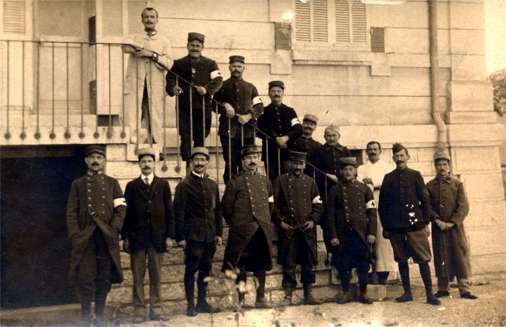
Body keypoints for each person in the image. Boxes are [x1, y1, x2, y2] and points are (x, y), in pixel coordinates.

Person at [66, 145, 126, 326]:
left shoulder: (112, 183)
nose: (95, 160)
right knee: (85, 278)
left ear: (104, 161)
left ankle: (99, 317)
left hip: (106, 238)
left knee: (104, 278)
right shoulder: (77, 184)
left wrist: (114, 229)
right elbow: (71, 212)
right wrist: (76, 235)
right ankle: (86, 317)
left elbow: (121, 209)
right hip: (86, 239)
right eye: (92, 157)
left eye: (99, 157)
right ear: (86, 161)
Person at [378, 143, 440, 305]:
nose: (399, 159)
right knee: (402, 260)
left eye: (401, 156)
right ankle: (407, 293)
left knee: (423, 259)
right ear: (393, 158)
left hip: (415, 225)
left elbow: (425, 199)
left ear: (407, 157)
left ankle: (429, 294)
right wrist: (386, 226)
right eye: (396, 156)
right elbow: (383, 205)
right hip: (395, 227)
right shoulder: (388, 178)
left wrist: (426, 222)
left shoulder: (415, 175)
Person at [122, 147, 175, 322]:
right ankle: (138, 310)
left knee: (156, 275)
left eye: (149, 161)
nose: (146, 164)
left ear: (155, 163)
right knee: (138, 276)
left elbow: (169, 212)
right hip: (137, 238)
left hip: (157, 237)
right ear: (139, 164)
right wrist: (125, 237)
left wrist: (169, 236)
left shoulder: (163, 185)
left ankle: (156, 308)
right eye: (143, 161)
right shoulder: (131, 186)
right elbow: (126, 214)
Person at [222, 145, 274, 308]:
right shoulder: (235, 182)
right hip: (242, 230)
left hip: (261, 229)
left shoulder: (265, 180)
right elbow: (226, 207)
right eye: (249, 158)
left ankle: (260, 298)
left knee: (260, 263)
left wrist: (264, 220)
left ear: (260, 160)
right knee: (240, 264)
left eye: (256, 157)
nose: (253, 161)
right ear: (243, 161)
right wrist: (237, 224)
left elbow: (271, 203)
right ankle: (241, 299)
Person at [173, 147, 223, 317]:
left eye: (203, 160)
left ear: (207, 162)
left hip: (209, 235)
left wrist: (219, 234)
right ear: (191, 162)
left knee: (206, 269)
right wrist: (180, 237)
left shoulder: (212, 185)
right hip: (192, 236)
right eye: (197, 160)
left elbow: (217, 211)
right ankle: (190, 305)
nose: (200, 163)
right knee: (191, 269)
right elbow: (178, 212)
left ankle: (202, 302)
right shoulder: (184, 185)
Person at [166, 32, 223, 169]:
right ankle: (186, 166)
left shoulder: (210, 64)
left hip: (203, 107)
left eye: (198, 46)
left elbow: (218, 80)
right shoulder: (179, 63)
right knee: (185, 137)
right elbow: (170, 79)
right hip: (184, 107)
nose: (195, 48)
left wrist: (207, 89)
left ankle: (199, 167)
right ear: (187, 46)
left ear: (202, 47)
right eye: (192, 45)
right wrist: (174, 88)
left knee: (201, 137)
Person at [272, 151, 322, 305]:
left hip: (306, 229)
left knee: (308, 262)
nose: (297, 167)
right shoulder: (280, 181)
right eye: (295, 163)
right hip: (289, 230)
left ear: (305, 165)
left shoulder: (311, 182)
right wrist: (280, 222)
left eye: (300, 164)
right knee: (289, 262)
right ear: (290, 164)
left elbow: (318, 205)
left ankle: (309, 294)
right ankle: (288, 295)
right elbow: (272, 205)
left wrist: (313, 221)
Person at [427, 151, 478, 300]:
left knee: (459, 256)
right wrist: (436, 220)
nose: (441, 167)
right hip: (439, 229)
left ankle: (464, 288)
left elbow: (463, 206)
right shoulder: (429, 186)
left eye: (444, 164)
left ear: (449, 166)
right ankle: (443, 288)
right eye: (439, 164)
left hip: (455, 228)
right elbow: (427, 206)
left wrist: (451, 222)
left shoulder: (457, 184)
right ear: (435, 166)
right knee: (441, 256)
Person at [327, 157, 377, 304]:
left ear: (355, 171)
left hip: (361, 234)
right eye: (345, 169)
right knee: (344, 264)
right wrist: (333, 236)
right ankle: (345, 292)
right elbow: (330, 215)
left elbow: (372, 213)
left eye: (350, 169)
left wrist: (372, 233)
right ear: (341, 172)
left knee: (363, 264)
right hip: (343, 235)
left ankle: (363, 292)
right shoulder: (334, 190)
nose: (347, 172)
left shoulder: (365, 189)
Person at [123, 7, 174, 145]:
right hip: (136, 80)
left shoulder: (164, 41)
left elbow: (169, 63)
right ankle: (133, 142)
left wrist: (152, 55)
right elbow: (125, 47)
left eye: (152, 17)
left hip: (155, 82)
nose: (149, 20)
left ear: (157, 20)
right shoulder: (135, 37)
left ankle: (156, 143)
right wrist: (138, 48)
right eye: (146, 17)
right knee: (134, 111)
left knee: (155, 113)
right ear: (142, 20)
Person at [213, 55, 264, 183]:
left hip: (247, 132)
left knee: (247, 161)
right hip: (228, 131)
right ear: (229, 67)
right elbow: (213, 104)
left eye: (239, 66)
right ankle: (231, 189)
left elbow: (259, 106)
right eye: (234, 66)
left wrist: (249, 116)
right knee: (230, 162)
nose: (237, 69)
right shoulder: (222, 86)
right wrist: (224, 105)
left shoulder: (251, 87)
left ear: (244, 68)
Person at [357, 141, 396, 285]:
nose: (372, 152)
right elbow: (359, 184)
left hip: (383, 204)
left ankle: (383, 275)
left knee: (383, 240)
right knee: (368, 236)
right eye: (370, 149)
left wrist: (374, 184)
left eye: (375, 149)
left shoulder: (388, 167)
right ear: (366, 151)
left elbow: (390, 184)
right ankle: (368, 276)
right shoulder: (361, 168)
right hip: (366, 205)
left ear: (380, 151)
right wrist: (369, 185)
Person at [311, 124, 351, 256]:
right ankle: (330, 250)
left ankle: (343, 250)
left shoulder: (344, 151)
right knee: (327, 218)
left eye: (334, 135)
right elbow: (314, 170)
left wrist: (339, 177)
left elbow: (350, 169)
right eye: (328, 136)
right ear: (324, 137)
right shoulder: (319, 151)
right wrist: (326, 176)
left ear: (339, 136)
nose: (331, 138)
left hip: (342, 189)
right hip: (325, 190)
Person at [257, 80, 302, 180]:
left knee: (288, 180)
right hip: (270, 153)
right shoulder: (263, 111)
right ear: (269, 93)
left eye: (278, 91)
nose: (276, 93)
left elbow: (298, 128)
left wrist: (287, 137)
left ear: (283, 93)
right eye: (273, 91)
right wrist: (275, 137)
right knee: (273, 181)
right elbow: (259, 130)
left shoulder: (290, 111)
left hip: (287, 152)